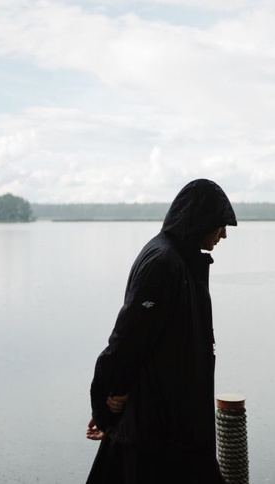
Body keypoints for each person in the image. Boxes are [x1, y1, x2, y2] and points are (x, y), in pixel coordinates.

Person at [85, 178, 236, 484]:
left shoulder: (181, 261)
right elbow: (127, 340)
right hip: (159, 432)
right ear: (201, 220)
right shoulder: (163, 263)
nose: (223, 234)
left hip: (175, 425)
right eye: (221, 225)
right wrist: (104, 404)